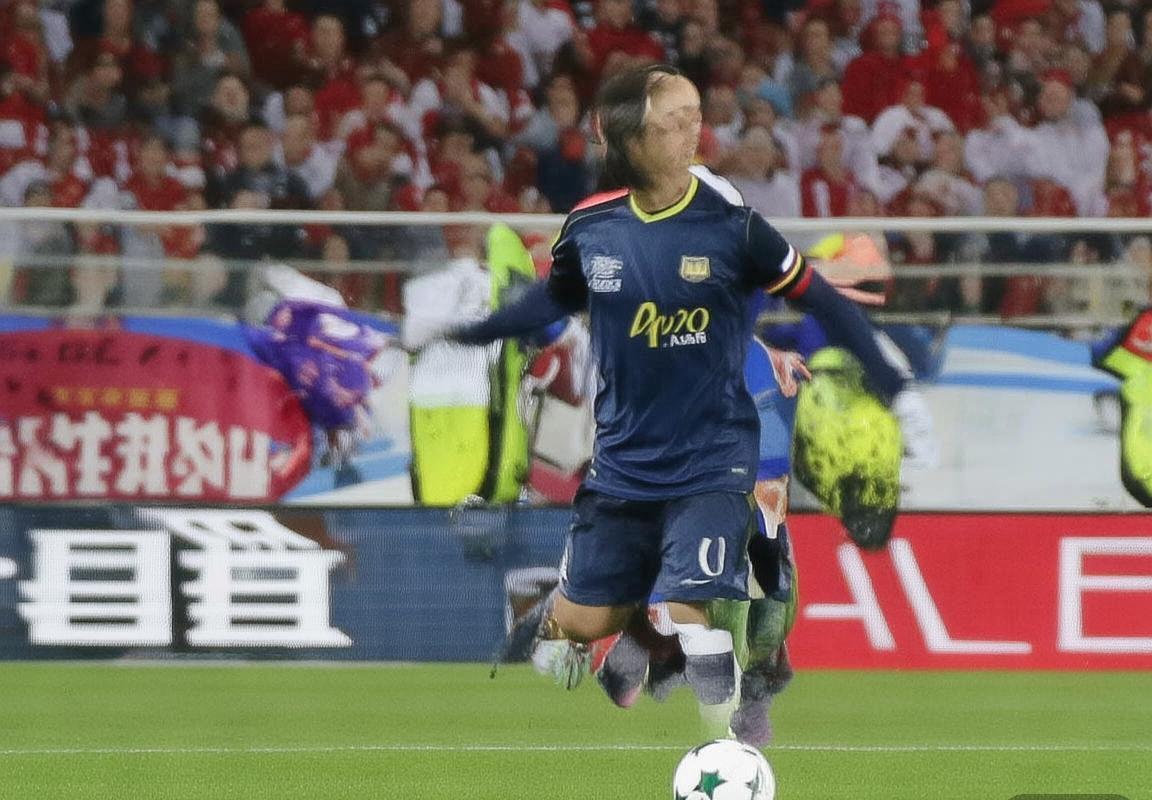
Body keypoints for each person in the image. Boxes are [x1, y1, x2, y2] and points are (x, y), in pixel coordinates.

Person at [452, 64, 915, 743]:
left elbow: (794, 302)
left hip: (739, 453)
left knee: (765, 587)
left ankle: (733, 674)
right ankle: (639, 647)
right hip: (659, 445)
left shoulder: (737, 257)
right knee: (690, 579)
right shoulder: (626, 256)